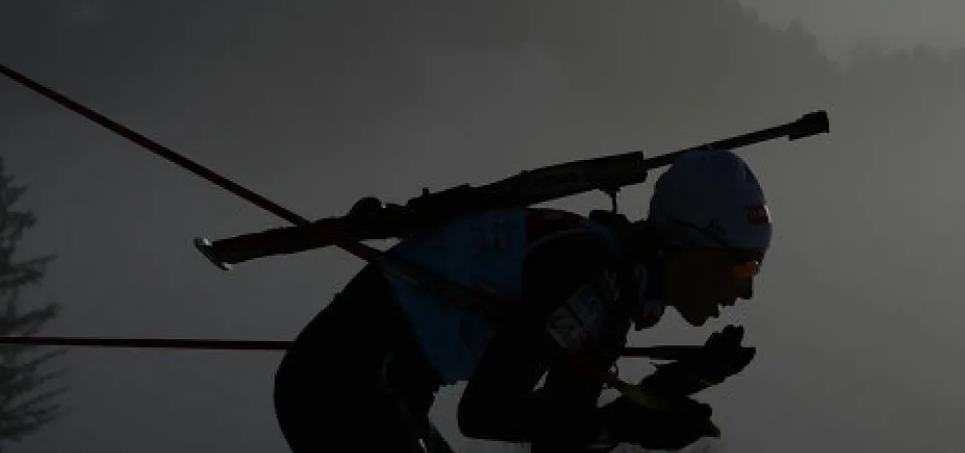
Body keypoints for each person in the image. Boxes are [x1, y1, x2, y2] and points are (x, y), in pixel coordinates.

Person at [273, 148, 771, 453]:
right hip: (344, 386)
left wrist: (674, 387)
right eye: (743, 265)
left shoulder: (612, 288)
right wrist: (627, 423)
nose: (746, 288)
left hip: (373, 386)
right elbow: (485, 413)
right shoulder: (590, 273)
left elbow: (559, 436)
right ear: (689, 244)